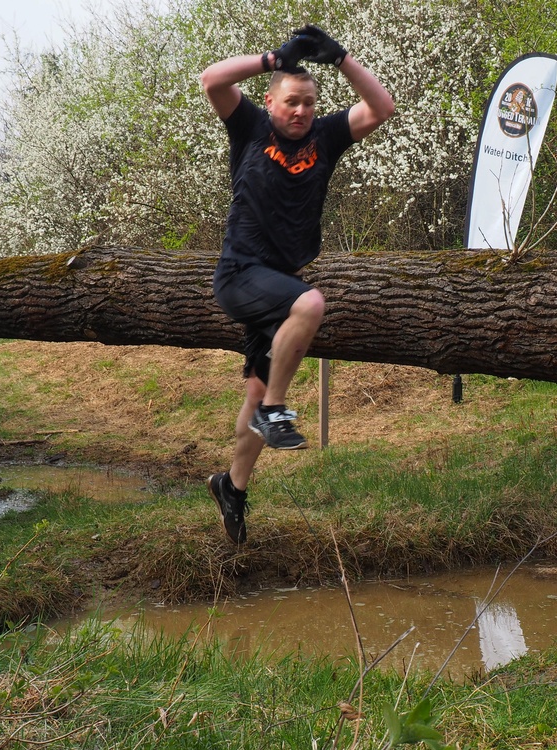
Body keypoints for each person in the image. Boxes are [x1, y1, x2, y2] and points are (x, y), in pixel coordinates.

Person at [200, 24, 394, 544]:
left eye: (308, 103)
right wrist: (271, 58)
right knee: (311, 304)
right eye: (291, 102)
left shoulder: (325, 138)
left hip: (278, 285)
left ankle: (232, 489)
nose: (301, 111)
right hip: (240, 275)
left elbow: (381, 107)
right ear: (271, 101)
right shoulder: (250, 128)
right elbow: (212, 80)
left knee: (257, 385)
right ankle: (274, 413)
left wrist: (344, 59)